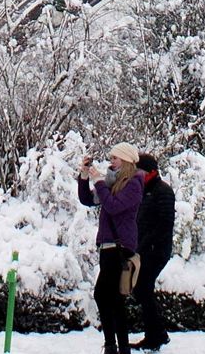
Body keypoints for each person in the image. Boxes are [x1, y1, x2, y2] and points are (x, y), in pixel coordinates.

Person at [76, 142, 145, 354]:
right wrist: (85, 176)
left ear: (126, 160)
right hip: (107, 246)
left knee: (104, 294)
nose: (111, 162)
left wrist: (98, 181)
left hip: (120, 246)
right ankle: (117, 346)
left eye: (115, 158)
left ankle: (113, 345)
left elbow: (114, 207)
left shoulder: (134, 183)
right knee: (112, 297)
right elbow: (87, 200)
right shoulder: (110, 182)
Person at [131, 153, 175, 349]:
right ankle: (158, 334)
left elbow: (164, 224)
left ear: (151, 172)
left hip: (156, 250)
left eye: (139, 171)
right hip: (143, 248)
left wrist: (147, 245)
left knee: (143, 288)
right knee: (142, 289)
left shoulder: (163, 191)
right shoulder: (143, 190)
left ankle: (155, 336)